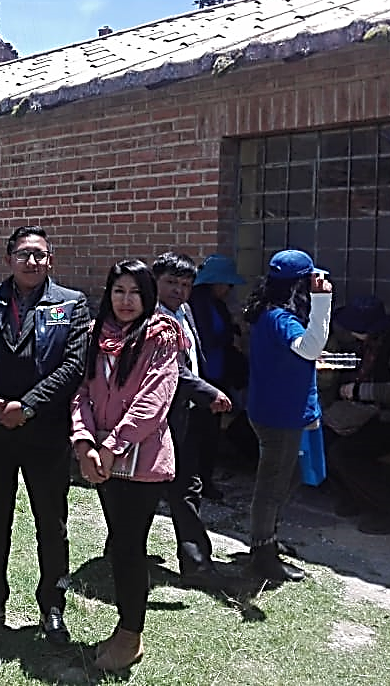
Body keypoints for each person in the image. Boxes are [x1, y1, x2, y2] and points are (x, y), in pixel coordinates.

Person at [0, 226, 90, 644]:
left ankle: (52, 607)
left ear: (51, 260)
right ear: (8, 258)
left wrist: (28, 405)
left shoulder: (72, 305)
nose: (31, 262)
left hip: (45, 433)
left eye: (39, 255)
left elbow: (73, 366)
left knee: (51, 524)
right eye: (23, 254)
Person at [72, 259, 181, 672]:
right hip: (101, 457)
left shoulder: (162, 336)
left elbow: (155, 400)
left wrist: (113, 445)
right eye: (118, 291)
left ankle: (130, 634)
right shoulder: (96, 335)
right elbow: (81, 391)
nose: (126, 300)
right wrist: (84, 442)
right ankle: (125, 628)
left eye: (135, 292)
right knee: (118, 541)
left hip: (139, 461)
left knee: (130, 547)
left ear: (148, 295)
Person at [243, 249, 332, 582]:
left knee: (287, 477)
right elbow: (310, 348)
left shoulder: (272, 314)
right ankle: (262, 554)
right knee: (272, 486)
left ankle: (269, 540)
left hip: (284, 408)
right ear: (299, 285)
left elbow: (299, 354)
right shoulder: (280, 318)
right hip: (279, 416)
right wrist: (324, 301)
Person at [151, 252, 232, 589]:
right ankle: (195, 561)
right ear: (155, 282)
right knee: (168, 488)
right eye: (171, 282)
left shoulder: (184, 312)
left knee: (186, 485)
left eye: (185, 285)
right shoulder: (151, 320)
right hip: (161, 416)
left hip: (190, 412)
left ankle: (194, 560)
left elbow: (192, 357)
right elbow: (172, 369)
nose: (178, 290)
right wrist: (208, 392)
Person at [325, 295, 390, 534]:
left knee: (345, 454)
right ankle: (352, 498)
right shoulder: (371, 344)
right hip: (372, 412)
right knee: (324, 435)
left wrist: (360, 391)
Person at [188, 254, 248, 498]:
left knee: (209, 433)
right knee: (201, 435)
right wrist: (229, 337)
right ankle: (200, 483)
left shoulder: (215, 304)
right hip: (204, 378)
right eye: (226, 284)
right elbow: (207, 339)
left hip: (216, 374)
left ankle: (204, 480)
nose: (228, 289)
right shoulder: (198, 304)